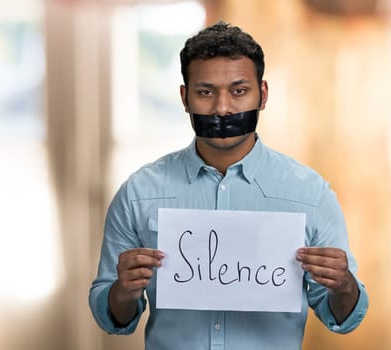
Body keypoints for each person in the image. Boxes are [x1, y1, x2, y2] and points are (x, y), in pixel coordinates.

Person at [89, 21, 368, 349]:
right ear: (185, 97)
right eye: (206, 92)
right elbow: (111, 317)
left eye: (239, 91)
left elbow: (342, 318)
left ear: (262, 95)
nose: (222, 108)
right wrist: (123, 291)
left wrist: (344, 284)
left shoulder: (311, 196)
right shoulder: (138, 194)